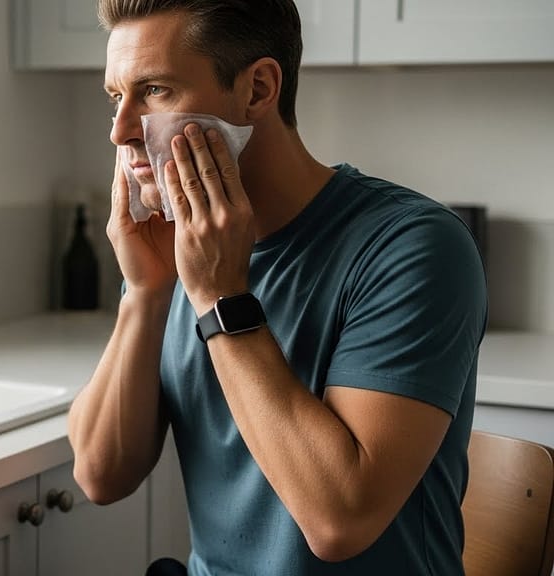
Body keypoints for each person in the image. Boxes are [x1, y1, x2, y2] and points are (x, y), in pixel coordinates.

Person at [66, 1, 488, 575]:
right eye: (117, 97)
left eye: (156, 91)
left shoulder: (413, 246)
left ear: (258, 89)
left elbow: (340, 521)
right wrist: (145, 292)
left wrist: (220, 300)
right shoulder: (172, 246)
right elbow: (100, 475)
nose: (120, 131)